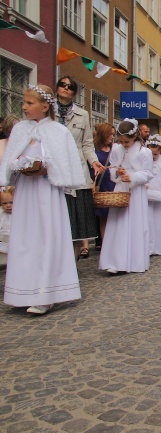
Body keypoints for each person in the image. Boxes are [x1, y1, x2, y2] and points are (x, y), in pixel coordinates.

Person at [0, 84, 85, 314]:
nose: (24, 107)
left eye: (29, 103)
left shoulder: (59, 131)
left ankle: (46, 294)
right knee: (25, 239)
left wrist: (47, 169)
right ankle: (22, 291)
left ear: (45, 106)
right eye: (24, 102)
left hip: (47, 192)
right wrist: (17, 167)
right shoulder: (19, 130)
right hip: (27, 191)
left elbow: (65, 164)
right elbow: (10, 159)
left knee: (47, 237)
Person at [55, 76, 104, 260]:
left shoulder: (82, 115)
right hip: (52, 172)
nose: (66, 88)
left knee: (76, 225)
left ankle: (71, 265)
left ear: (75, 92)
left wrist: (93, 161)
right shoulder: (48, 111)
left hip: (76, 172)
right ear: (57, 87)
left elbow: (87, 144)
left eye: (70, 86)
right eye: (63, 85)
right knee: (56, 223)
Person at [99, 119, 153, 274]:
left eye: (127, 141)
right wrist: (117, 172)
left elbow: (148, 173)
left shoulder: (145, 152)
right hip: (120, 189)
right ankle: (115, 261)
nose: (124, 144)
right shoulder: (117, 150)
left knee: (135, 224)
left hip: (136, 191)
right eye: (121, 141)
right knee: (118, 224)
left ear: (135, 136)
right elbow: (112, 170)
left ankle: (135, 261)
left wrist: (133, 177)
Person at [89, 123, 115, 251]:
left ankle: (115, 244)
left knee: (114, 216)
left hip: (113, 184)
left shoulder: (115, 150)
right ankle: (106, 246)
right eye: (109, 134)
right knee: (103, 218)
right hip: (101, 185)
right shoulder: (94, 152)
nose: (112, 137)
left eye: (113, 134)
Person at [0, 186, 14, 265]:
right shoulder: (1, 214)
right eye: (4, 203)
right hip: (3, 241)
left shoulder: (20, 214)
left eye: (11, 202)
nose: (8, 205)